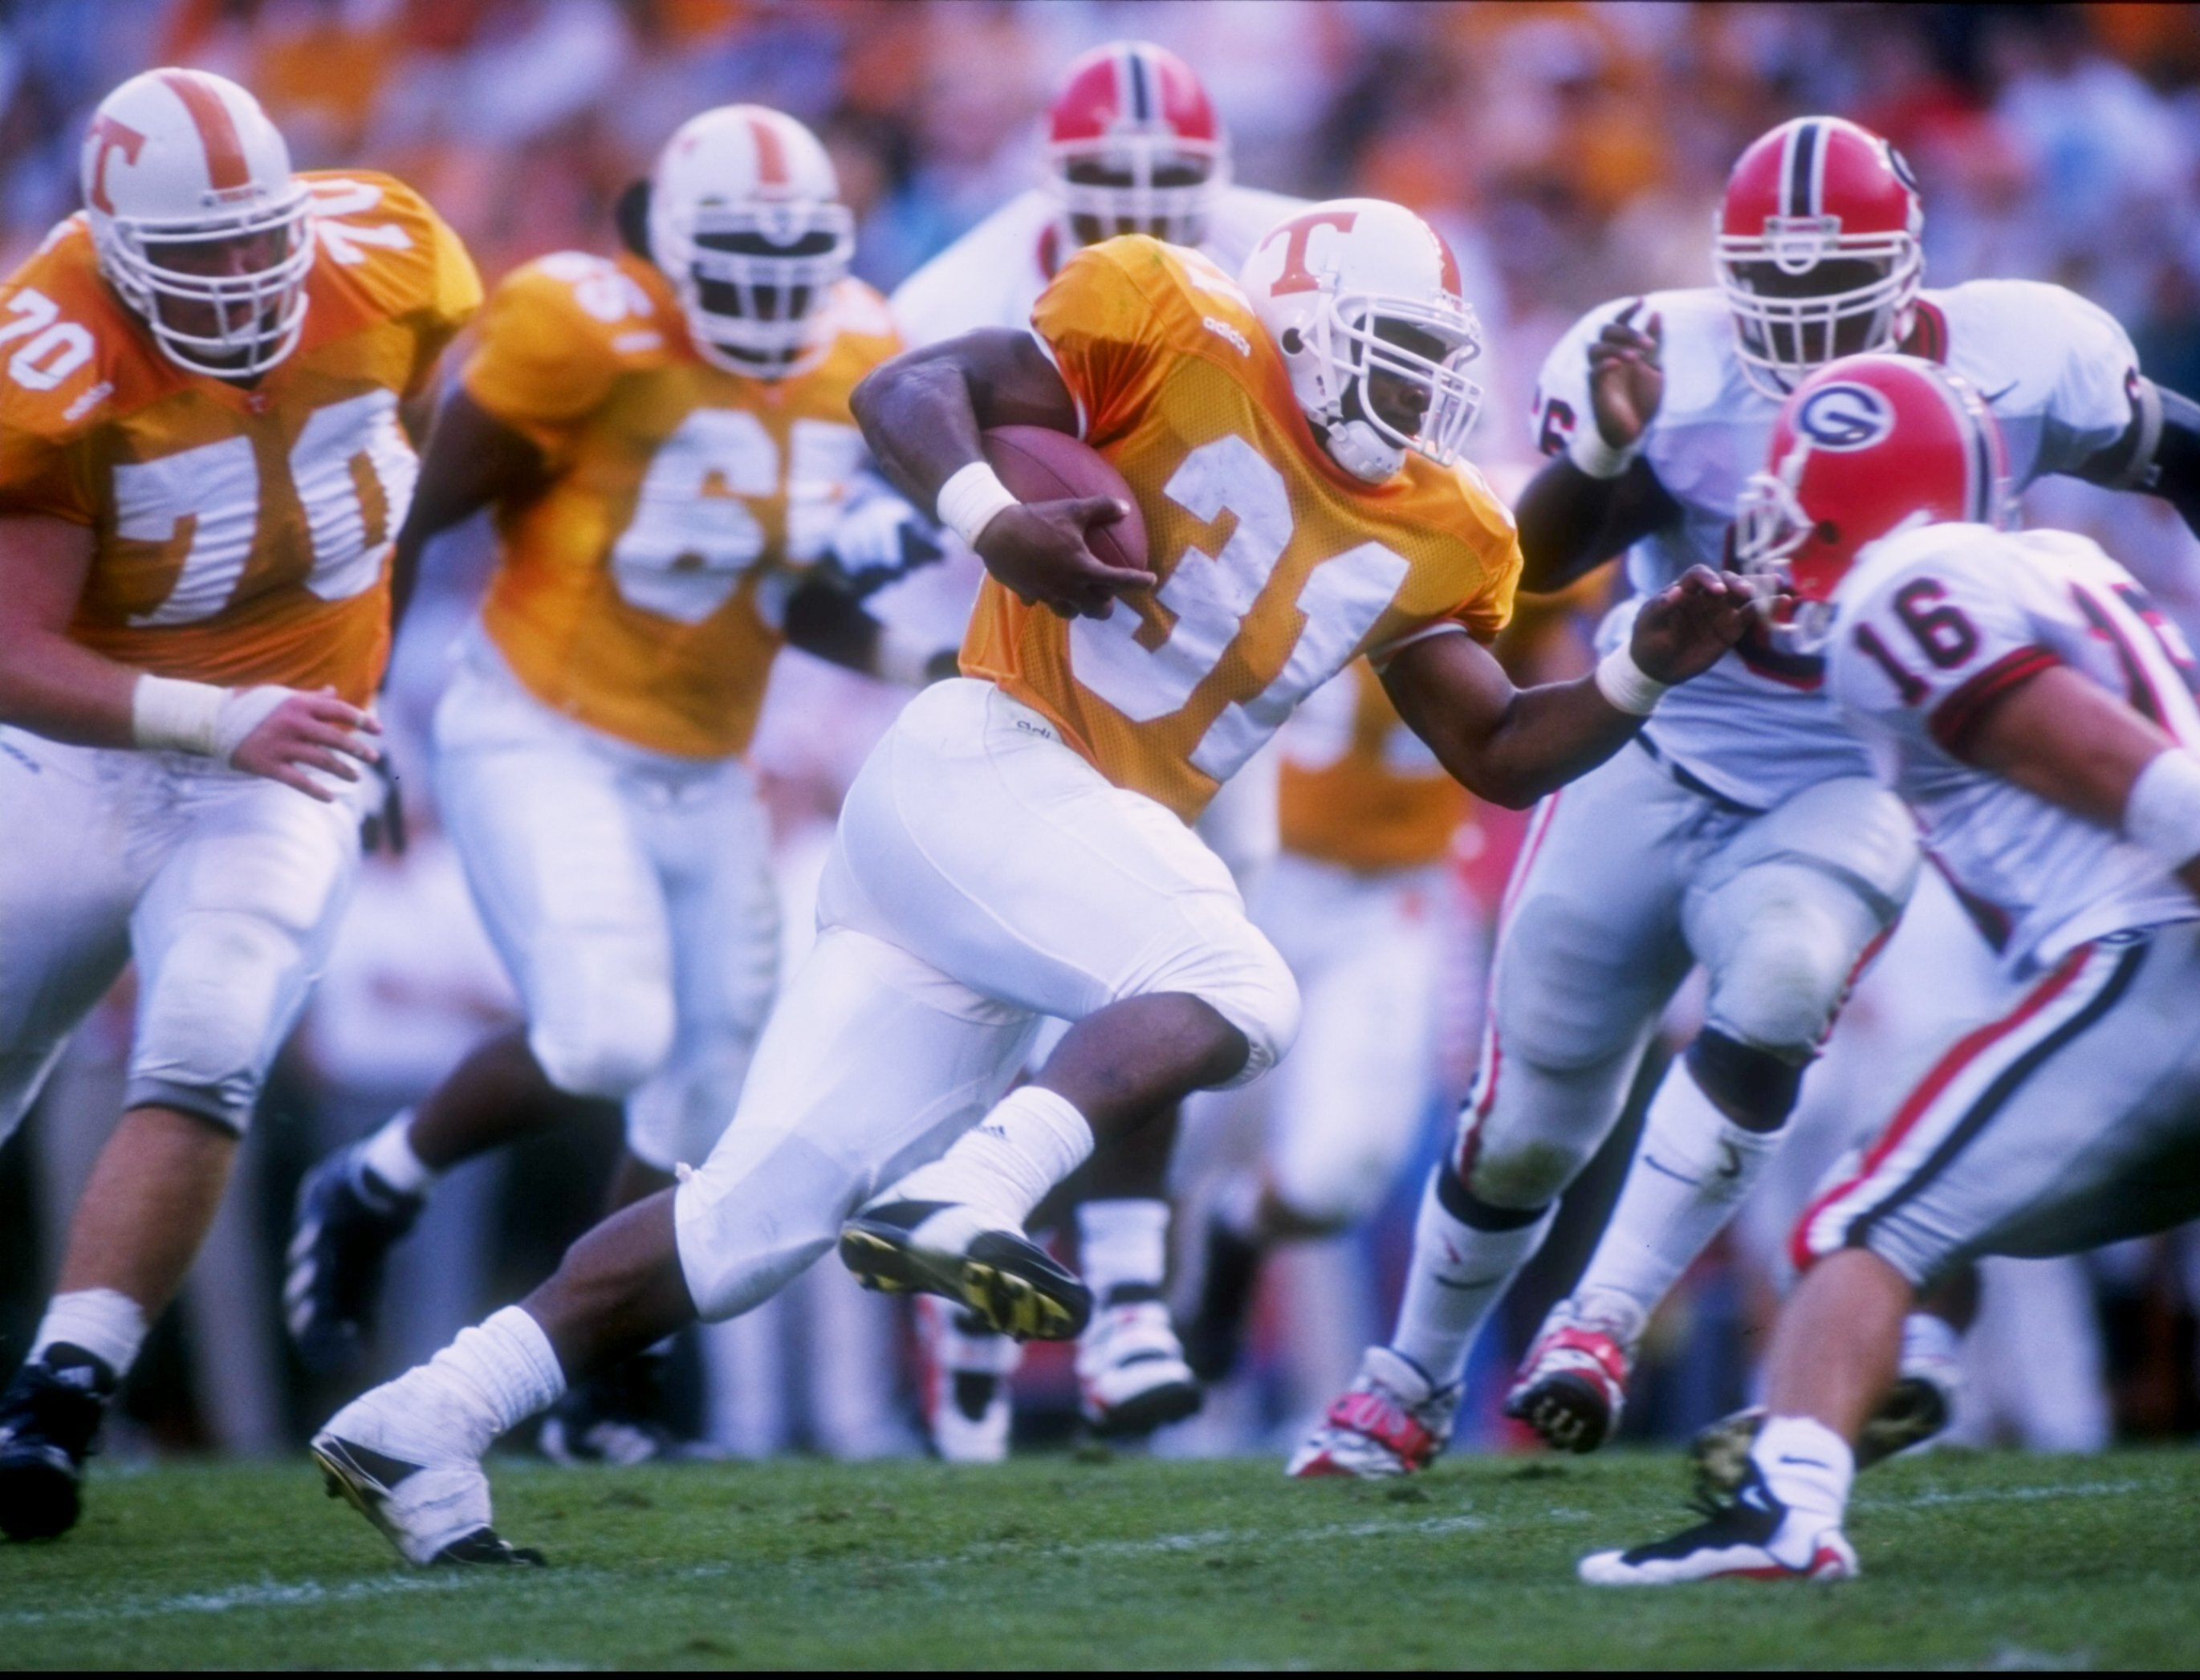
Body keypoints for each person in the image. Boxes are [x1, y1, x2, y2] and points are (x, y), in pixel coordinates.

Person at [310, 197, 1761, 1566]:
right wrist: (989, 516)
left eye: (1436, 367)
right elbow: (908, 389)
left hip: (1032, 849)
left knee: (746, 1225)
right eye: (1391, 355)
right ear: (1305, 333)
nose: (1417, 395)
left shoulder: (1439, 524)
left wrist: (1639, 667)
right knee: (1236, 982)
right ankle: (972, 1189)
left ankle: (421, 1421)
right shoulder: (1167, 325)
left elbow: (1499, 748)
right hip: (990, 757)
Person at [1295, 113, 2200, 1479]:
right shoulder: (1666, 359)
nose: (1810, 329)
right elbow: (1515, 583)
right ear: (1725, 275)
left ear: (1910, 272)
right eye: (1780, 295)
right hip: (1654, 748)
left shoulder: (2023, 350)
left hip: (1847, 776)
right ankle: (1403, 1378)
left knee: (1777, 985)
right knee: (1528, 1117)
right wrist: (1598, 463)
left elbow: (2195, 455)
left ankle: (1601, 1321)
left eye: (1840, 295)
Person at [1577, 353, 2200, 1584]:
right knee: (1910, 1205)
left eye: (1795, 505)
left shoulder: (1902, 596)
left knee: (1857, 1219)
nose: (1773, 536)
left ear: (1859, 502)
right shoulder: (2057, 565)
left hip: (2157, 981)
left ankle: (1786, 1508)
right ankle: (1896, 1374)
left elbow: (2179, 798)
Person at [281, 104, 934, 1460]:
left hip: (704, 765)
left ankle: (602, 1363)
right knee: (603, 1034)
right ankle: (376, 1181)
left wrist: (906, 653)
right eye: (733, 259)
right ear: (661, 247)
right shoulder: (580, 328)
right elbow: (411, 523)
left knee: (702, 1092)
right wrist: (352, 708)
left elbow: (769, 590)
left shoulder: (863, 345)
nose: (766, 293)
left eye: (791, 259)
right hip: (541, 725)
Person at [0, 67, 478, 1540]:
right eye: (194, 252)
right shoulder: (49, 348)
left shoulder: (392, 258)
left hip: (290, 749)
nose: (237, 275)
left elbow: (400, 462)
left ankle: (61, 1399)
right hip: (87, 752)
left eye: (254, 238)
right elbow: (11, 649)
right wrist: (226, 713)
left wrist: (351, 684)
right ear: (113, 240)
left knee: (211, 1037)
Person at [884, 38, 1310, 1447]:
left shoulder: (1283, 260)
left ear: (1219, 179)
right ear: (1046, 184)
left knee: (1172, 976)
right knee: (1044, 983)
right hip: (1043, 650)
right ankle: (1079, 1293)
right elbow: (901, 460)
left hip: (1208, 664)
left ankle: (1113, 1292)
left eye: (1164, 181)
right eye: (1105, 183)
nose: (1137, 206)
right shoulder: (960, 293)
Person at [1177, 657, 1470, 1389]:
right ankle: (1151, 1384)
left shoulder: (1507, 561)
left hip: (1385, 904)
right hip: (1240, 877)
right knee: (1170, 1145)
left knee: (1331, 1181)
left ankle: (1239, 1229)